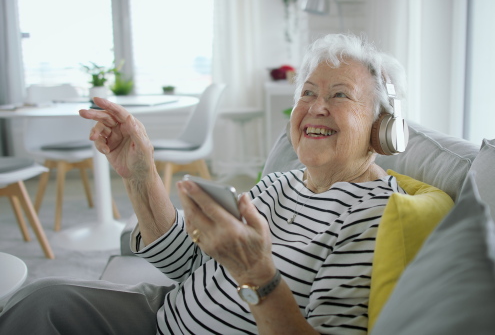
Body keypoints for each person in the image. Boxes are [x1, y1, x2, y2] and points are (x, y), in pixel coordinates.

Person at [0, 33, 407, 334]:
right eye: (307, 93)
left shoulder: (375, 213)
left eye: (340, 95)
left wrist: (256, 272)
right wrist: (141, 173)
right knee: (42, 300)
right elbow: (189, 264)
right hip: (163, 315)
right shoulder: (278, 184)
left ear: (382, 126)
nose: (316, 107)